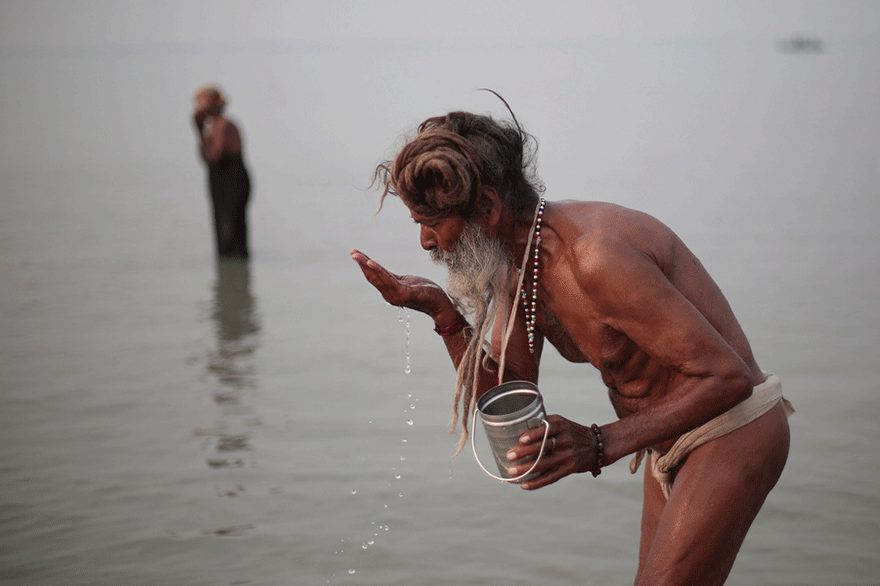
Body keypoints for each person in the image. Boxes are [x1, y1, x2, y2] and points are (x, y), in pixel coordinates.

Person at [351, 105, 793, 585]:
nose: (425, 243)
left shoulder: (595, 257)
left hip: (731, 427)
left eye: (432, 223)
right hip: (663, 441)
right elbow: (509, 398)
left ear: (488, 209)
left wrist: (599, 443)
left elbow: (727, 378)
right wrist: (443, 313)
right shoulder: (516, 269)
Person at [192, 85, 252, 260]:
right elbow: (207, 159)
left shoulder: (223, 125)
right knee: (226, 233)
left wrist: (199, 130)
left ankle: (234, 280)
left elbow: (213, 158)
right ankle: (230, 281)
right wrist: (201, 131)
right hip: (222, 184)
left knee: (231, 235)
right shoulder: (213, 126)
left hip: (232, 184)